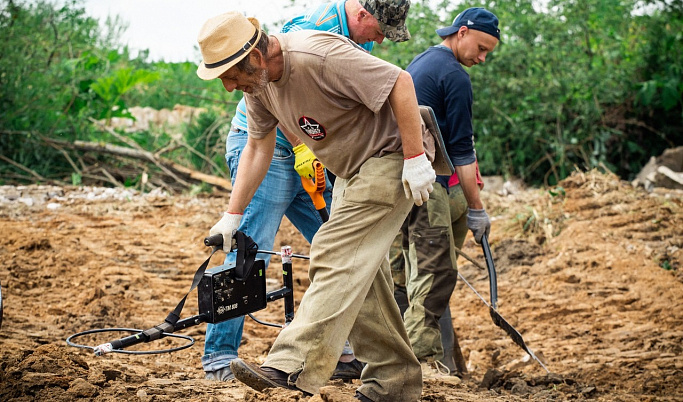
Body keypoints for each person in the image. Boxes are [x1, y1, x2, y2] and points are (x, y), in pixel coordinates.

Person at [196, 8, 435, 401]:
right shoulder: (259, 85)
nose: (228, 87)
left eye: (231, 76)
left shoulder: (316, 54)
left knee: (331, 253)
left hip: (389, 158)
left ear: (254, 57)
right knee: (362, 275)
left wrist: (414, 158)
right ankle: (394, 383)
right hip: (351, 169)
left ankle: (292, 366)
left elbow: (400, 82)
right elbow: (258, 145)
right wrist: (231, 215)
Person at [394, 7, 499, 380]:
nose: (482, 58)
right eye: (481, 48)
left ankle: (393, 358)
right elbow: (461, 151)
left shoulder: (421, 63)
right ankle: (423, 364)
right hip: (431, 186)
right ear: (462, 32)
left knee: (401, 275)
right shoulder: (454, 75)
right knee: (434, 273)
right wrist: (476, 208)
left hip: (400, 182)